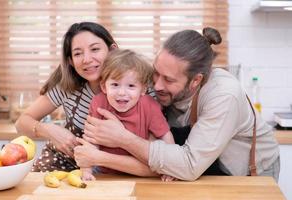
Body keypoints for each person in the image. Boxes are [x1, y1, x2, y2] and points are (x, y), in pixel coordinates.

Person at [80, 27, 280, 181]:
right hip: (199, 168)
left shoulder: (224, 95)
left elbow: (189, 165)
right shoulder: (155, 86)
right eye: (155, 72)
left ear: (195, 81)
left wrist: (123, 138)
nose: (156, 85)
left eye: (168, 80)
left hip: (245, 172)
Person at [15, 22, 156, 176]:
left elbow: (156, 162)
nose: (86, 59)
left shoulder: (141, 88)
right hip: (61, 166)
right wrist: (49, 130)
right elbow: (22, 122)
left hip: (112, 172)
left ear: (112, 50)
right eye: (77, 53)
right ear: (70, 61)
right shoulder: (67, 86)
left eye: (95, 49)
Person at [80, 49, 175, 181]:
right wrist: (86, 170)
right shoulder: (98, 102)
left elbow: (165, 135)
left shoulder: (149, 105)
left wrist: (171, 166)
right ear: (103, 86)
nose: (122, 92)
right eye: (115, 85)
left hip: (139, 169)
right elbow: (91, 138)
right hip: (104, 170)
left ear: (143, 89)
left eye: (131, 86)